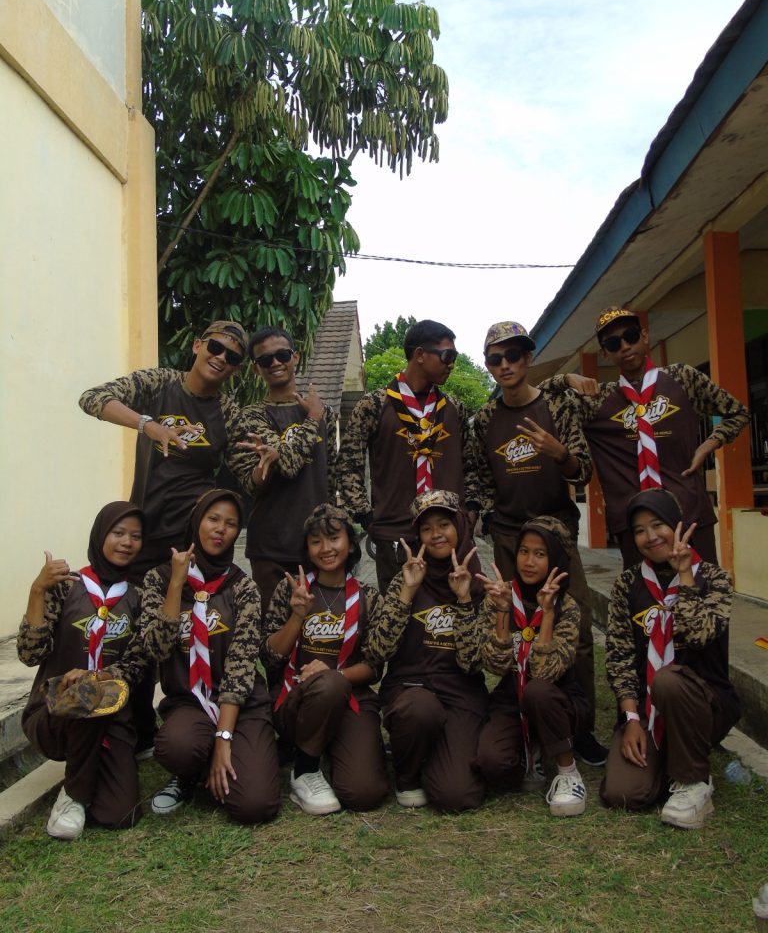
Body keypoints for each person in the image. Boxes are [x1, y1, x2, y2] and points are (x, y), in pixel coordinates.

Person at [470, 320, 605, 765]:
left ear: (528, 358)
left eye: (513, 355)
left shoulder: (556, 405)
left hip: (556, 534)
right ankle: (521, 717)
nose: (505, 365)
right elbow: (479, 477)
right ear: (488, 365)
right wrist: (490, 518)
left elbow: (584, 471)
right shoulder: (485, 420)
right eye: (495, 358)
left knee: (576, 628)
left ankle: (579, 726)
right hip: (510, 536)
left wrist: (559, 453)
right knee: (513, 628)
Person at [549, 306, 749, 567]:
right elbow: (538, 397)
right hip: (634, 523)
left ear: (644, 336)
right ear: (605, 353)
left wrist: (708, 446)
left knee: (702, 589)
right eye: (613, 343)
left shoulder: (683, 378)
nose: (625, 346)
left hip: (689, 512)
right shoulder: (596, 401)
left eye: (631, 336)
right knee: (645, 593)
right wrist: (566, 379)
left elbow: (738, 412)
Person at [600, 488, 740, 829]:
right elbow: (619, 657)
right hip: (647, 710)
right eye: (639, 530)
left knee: (668, 681)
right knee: (623, 793)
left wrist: (686, 576)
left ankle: (693, 782)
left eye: (658, 525)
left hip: (704, 703)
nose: (650, 537)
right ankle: (667, 764)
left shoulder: (714, 578)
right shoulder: (628, 583)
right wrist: (631, 718)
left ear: (677, 524)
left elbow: (700, 635)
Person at [79, 320, 264, 574]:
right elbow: (92, 398)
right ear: (197, 346)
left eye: (231, 357)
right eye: (215, 347)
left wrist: (265, 463)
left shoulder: (229, 414)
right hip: (145, 527)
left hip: (192, 538)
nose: (221, 358)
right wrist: (148, 425)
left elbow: (250, 480)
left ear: (235, 369)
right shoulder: (160, 383)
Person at [141, 489, 280, 824]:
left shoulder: (242, 587)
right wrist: (176, 585)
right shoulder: (158, 579)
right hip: (190, 703)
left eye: (230, 524)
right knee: (176, 746)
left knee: (255, 805)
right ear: (196, 522)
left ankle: (233, 753)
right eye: (213, 519)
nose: (221, 529)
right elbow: (156, 649)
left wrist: (223, 737)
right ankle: (191, 772)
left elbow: (242, 666)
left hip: (241, 705)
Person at [17, 502, 149, 839]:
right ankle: (73, 796)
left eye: (135, 536)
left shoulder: (138, 598)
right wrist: (38, 589)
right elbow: (30, 654)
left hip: (112, 717)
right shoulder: (65, 586)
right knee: (83, 692)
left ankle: (88, 775)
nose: (127, 542)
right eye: (118, 533)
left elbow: (137, 664)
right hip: (55, 712)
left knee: (120, 814)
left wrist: (99, 678)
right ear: (100, 534)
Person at [261, 503, 388, 815]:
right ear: (307, 548)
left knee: (365, 792)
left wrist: (335, 676)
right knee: (327, 686)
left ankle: (327, 747)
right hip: (295, 698)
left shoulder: (368, 597)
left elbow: (374, 667)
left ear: (351, 543)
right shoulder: (292, 589)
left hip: (350, 699)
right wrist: (297, 616)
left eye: (334, 538)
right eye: (316, 541)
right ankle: (305, 769)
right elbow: (270, 657)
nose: (326, 548)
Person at [366, 490, 487, 812]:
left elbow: (473, 663)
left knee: (455, 795)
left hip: (460, 692)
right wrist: (407, 592)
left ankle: (437, 754)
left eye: (444, 524)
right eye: (426, 528)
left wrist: (464, 601)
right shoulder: (404, 580)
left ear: (459, 526)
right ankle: (407, 775)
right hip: (411, 689)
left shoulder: (478, 584)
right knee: (420, 710)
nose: (436, 534)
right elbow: (378, 651)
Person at [338, 319, 478, 593]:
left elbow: (471, 463)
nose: (452, 364)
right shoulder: (373, 405)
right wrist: (367, 518)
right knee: (398, 611)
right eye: (447, 355)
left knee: (455, 609)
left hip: (451, 535)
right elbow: (348, 466)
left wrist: (470, 511)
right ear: (420, 354)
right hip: (396, 536)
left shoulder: (454, 408)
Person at [476, 517, 589, 817]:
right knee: (491, 762)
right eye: (524, 551)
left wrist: (548, 614)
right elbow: (495, 665)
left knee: (537, 691)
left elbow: (545, 673)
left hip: (555, 699)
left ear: (556, 559)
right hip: (511, 696)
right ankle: (530, 751)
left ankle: (567, 771)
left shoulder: (567, 606)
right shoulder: (500, 595)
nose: (529, 562)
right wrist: (503, 611)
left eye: (540, 554)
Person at [238, 327, 337, 621]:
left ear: (295, 357)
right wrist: (313, 418)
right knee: (276, 633)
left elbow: (330, 472)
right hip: (272, 547)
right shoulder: (251, 416)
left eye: (282, 355)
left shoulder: (326, 413)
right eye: (265, 360)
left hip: (319, 543)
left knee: (321, 632)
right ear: (256, 369)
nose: (275, 363)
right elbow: (290, 465)